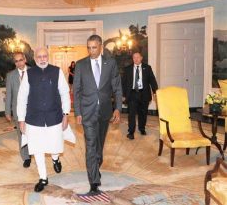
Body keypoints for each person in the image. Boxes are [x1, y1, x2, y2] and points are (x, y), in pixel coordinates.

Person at [73, 34, 122, 195]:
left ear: (100, 46)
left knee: (99, 148)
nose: (91, 50)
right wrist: (78, 112)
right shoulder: (80, 65)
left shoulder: (110, 63)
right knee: (91, 146)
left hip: (105, 111)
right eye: (88, 47)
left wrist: (118, 108)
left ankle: (96, 165)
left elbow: (117, 87)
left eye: (94, 47)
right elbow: (77, 91)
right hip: (87, 112)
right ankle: (94, 181)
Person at [17, 47, 71, 192]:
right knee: (37, 148)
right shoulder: (29, 74)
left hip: (54, 116)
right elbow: (22, 97)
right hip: (34, 118)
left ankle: (55, 158)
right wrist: (21, 119)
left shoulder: (56, 71)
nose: (42, 59)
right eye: (39, 57)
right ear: (35, 59)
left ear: (48, 57)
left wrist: (66, 114)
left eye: (44, 56)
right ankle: (43, 178)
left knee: (55, 144)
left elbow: (65, 93)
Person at [122, 52, 158, 140]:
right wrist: (123, 95)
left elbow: (152, 80)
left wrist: (155, 92)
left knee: (143, 113)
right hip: (132, 94)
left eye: (138, 57)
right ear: (132, 58)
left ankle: (142, 128)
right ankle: (131, 132)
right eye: (134, 57)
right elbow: (123, 83)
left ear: (141, 58)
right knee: (131, 114)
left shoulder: (147, 68)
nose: (136, 59)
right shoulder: (128, 69)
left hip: (144, 93)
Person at [5, 52, 31, 168]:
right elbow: (9, 94)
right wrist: (7, 111)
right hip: (18, 110)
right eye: (16, 61)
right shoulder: (10, 75)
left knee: (33, 133)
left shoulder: (33, 72)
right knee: (21, 133)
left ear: (25, 59)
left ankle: (34, 151)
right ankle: (26, 157)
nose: (19, 63)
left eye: (21, 60)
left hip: (32, 109)